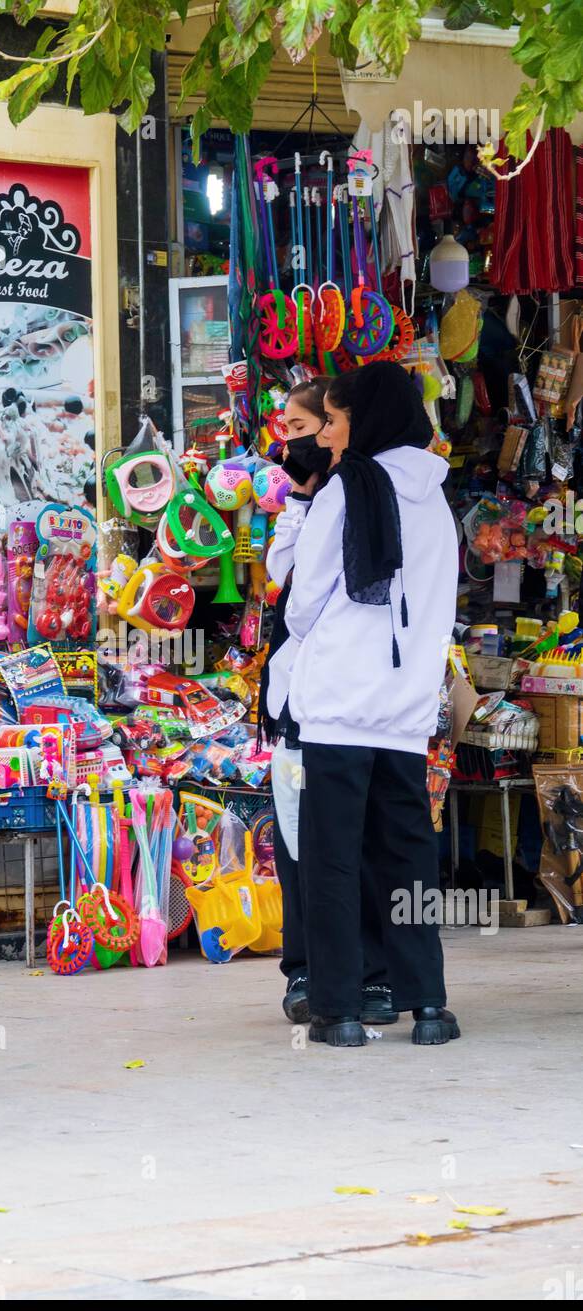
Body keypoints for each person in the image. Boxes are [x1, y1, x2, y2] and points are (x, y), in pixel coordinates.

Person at [285, 361, 460, 1047]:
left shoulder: (344, 491)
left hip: (337, 704)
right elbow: (441, 605)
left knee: (332, 858)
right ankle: (429, 1009)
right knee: (407, 856)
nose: (326, 435)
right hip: (406, 709)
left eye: (333, 418)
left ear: (363, 418)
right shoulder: (438, 502)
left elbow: (304, 604)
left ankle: (340, 1012)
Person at [259, 379, 397, 1028]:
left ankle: (367, 974)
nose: (289, 441)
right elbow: (278, 578)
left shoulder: (364, 494)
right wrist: (298, 503)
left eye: (301, 426)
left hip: (347, 699)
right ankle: (306, 970)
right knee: (297, 843)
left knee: (351, 845)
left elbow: (304, 596)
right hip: (295, 700)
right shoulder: (310, 502)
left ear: (333, 429)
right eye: (284, 428)